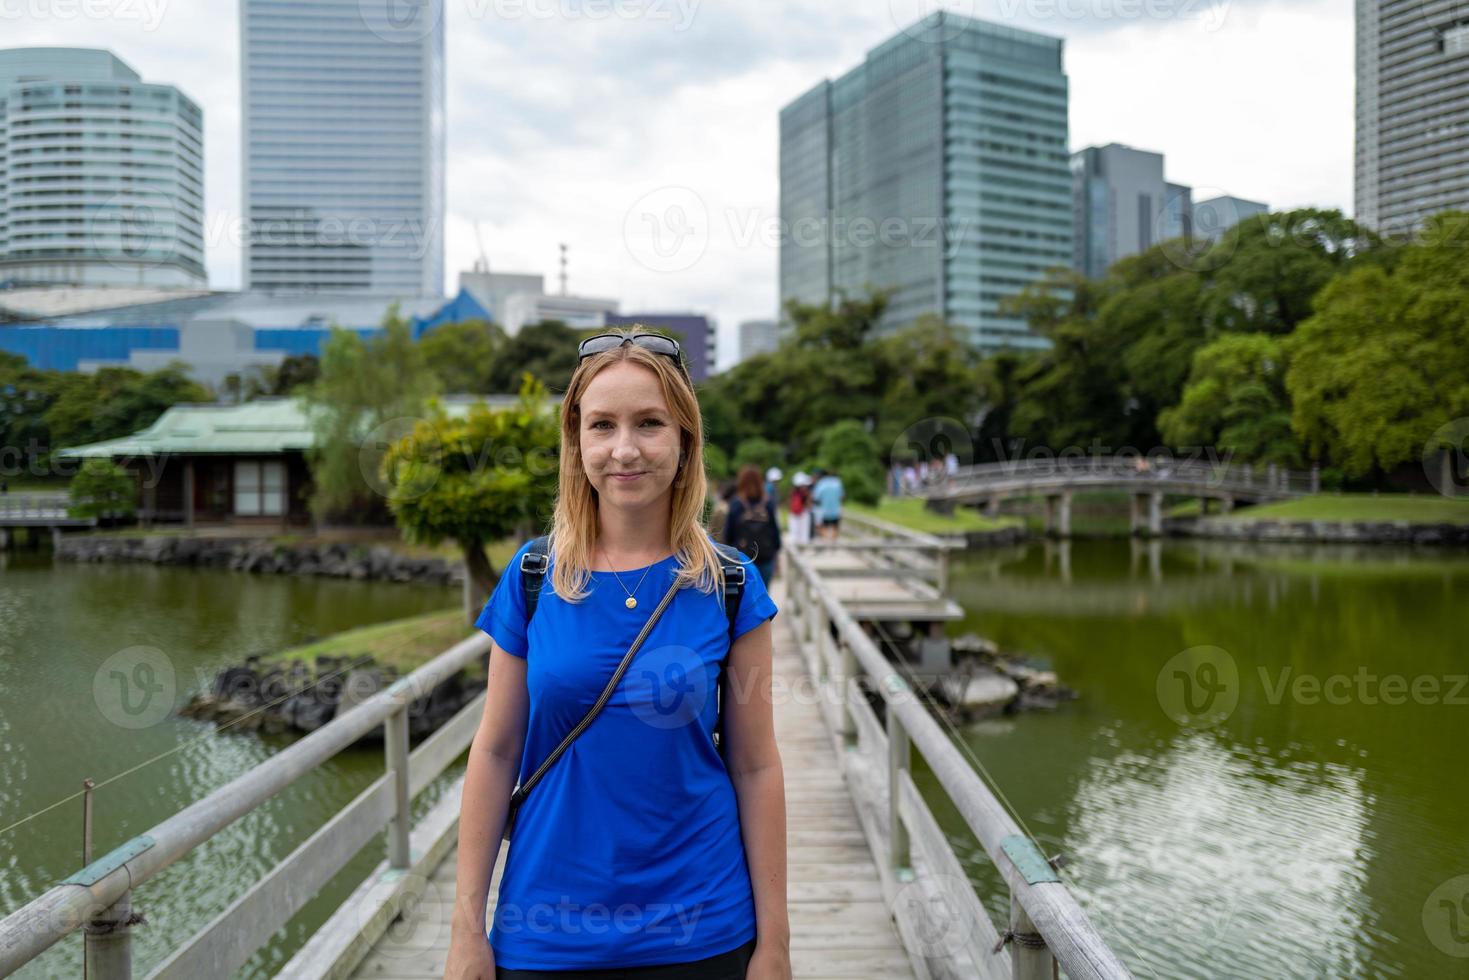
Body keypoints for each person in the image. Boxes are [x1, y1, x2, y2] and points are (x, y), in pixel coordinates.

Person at [445, 329, 792, 980]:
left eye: (649, 423)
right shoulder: (532, 578)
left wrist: (775, 943)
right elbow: (494, 753)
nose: (624, 449)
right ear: (575, 441)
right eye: (601, 425)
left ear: (685, 439)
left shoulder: (731, 583)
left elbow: (755, 765)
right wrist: (465, 930)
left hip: (703, 930)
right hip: (544, 932)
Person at [725, 464, 782, 585]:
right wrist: (775, 552)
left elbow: (728, 534)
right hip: (766, 556)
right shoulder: (768, 503)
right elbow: (775, 532)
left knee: (744, 597)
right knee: (764, 594)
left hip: (742, 558)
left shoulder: (736, 503)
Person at [810, 467, 844, 540]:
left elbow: (816, 498)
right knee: (835, 527)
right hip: (836, 510)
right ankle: (833, 541)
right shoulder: (838, 482)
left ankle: (826, 541)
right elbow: (841, 497)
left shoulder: (821, 483)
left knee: (823, 527)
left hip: (824, 511)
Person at [787, 472, 813, 546]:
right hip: (803, 513)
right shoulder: (805, 492)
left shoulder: (792, 491)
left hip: (793, 513)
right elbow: (809, 504)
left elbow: (789, 503)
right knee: (804, 534)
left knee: (794, 533)